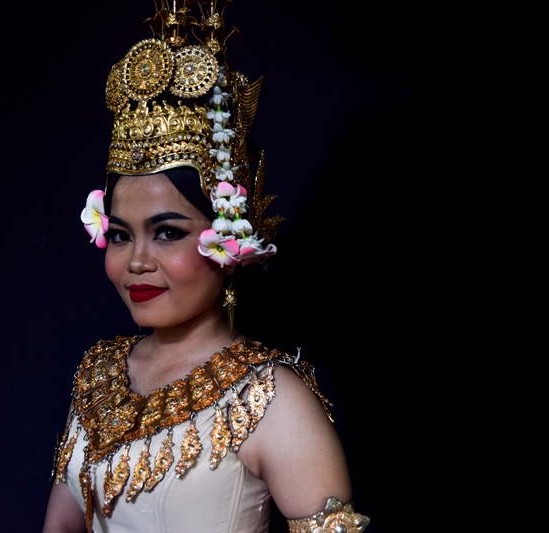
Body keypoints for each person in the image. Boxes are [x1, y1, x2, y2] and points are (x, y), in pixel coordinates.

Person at [42, 2, 370, 532]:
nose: (137, 261)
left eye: (168, 232)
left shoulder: (269, 398)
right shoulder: (96, 376)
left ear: (230, 241)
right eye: (120, 235)